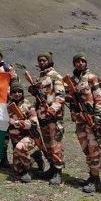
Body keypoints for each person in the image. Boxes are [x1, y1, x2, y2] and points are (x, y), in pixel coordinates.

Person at [65, 53, 101, 193]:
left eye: (82, 61)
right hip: (79, 120)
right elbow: (65, 95)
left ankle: (95, 178)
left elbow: (99, 99)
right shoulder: (71, 79)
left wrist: (98, 118)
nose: (80, 63)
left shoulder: (92, 78)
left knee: (94, 149)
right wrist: (70, 97)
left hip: (91, 119)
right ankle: (91, 174)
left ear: (86, 63)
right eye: (77, 61)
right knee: (86, 148)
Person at [27, 52, 66, 185]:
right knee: (48, 145)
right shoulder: (41, 77)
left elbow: (61, 96)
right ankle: (52, 168)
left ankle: (58, 173)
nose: (42, 62)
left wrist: (53, 109)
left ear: (49, 61)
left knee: (55, 145)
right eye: (40, 60)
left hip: (53, 117)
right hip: (42, 117)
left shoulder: (55, 76)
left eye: (44, 60)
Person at [8, 80, 44, 182]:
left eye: (19, 91)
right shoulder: (8, 107)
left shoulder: (28, 105)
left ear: (23, 93)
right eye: (14, 92)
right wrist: (10, 121)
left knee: (20, 147)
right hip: (15, 139)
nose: (17, 94)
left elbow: (34, 122)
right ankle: (35, 157)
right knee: (16, 169)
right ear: (11, 93)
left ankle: (27, 171)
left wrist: (21, 123)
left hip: (30, 136)